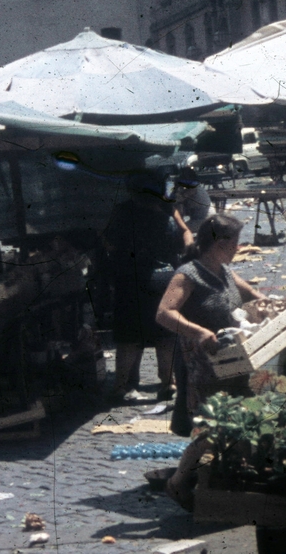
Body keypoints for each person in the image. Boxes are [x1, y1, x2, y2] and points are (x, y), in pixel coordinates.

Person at [156, 213, 269, 509]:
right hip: (204, 368)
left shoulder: (225, 272)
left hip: (235, 363)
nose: (238, 248)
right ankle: (177, 483)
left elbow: (253, 297)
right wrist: (198, 331)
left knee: (241, 418)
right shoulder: (188, 274)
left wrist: (268, 306)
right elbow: (164, 313)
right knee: (210, 427)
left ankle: (231, 479)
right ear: (218, 243)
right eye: (234, 242)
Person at [104, 171, 192, 401]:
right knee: (165, 335)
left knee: (129, 337)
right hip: (164, 279)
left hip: (131, 279)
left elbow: (110, 244)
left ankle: (121, 386)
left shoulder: (123, 211)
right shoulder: (167, 209)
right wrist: (185, 253)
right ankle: (167, 383)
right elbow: (185, 233)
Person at [172, 169, 212, 236]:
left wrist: (176, 190)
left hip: (204, 220)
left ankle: (182, 245)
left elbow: (179, 199)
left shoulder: (193, 188)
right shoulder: (195, 185)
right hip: (201, 217)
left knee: (178, 230)